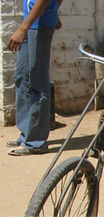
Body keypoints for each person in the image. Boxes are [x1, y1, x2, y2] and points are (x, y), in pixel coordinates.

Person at [6, 0, 64, 156]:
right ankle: (27, 132)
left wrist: (23, 28)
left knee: (37, 80)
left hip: (39, 25)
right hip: (32, 22)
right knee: (22, 76)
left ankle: (36, 142)